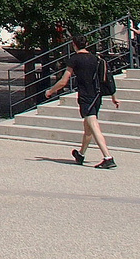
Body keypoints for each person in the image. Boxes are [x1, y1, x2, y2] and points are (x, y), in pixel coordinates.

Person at [46, 33, 119, 168]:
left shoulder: (74, 59)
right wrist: (114, 96)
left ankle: (108, 157)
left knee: (94, 126)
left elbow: (63, 81)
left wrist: (50, 91)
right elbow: (107, 78)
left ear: (74, 44)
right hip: (97, 96)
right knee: (88, 128)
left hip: (86, 97)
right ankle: (81, 154)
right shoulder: (95, 58)